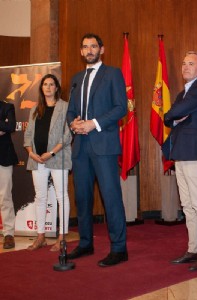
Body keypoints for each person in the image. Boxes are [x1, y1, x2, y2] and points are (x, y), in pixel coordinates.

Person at [66, 33, 128, 267]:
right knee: (82, 198)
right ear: (81, 52)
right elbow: (71, 110)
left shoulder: (113, 74)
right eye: (85, 47)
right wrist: (73, 123)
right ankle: (85, 243)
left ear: (102, 49)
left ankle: (119, 248)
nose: (89, 50)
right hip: (80, 146)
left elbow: (120, 107)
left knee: (111, 197)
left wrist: (94, 123)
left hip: (104, 144)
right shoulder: (76, 78)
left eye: (93, 46)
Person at [164, 51, 197, 271]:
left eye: (191, 64)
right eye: (184, 63)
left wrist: (175, 115)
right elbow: (168, 117)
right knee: (187, 205)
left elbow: (176, 112)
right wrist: (174, 117)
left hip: (195, 153)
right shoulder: (181, 93)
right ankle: (193, 249)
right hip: (181, 153)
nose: (185, 67)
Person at [24, 74, 72, 252]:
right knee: (40, 197)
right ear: (41, 88)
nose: (48, 87)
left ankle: (62, 237)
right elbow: (28, 134)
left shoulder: (65, 107)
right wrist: (31, 152)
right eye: (45, 84)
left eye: (52, 84)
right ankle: (41, 236)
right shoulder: (35, 109)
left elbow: (67, 135)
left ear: (57, 88)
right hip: (37, 159)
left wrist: (51, 152)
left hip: (57, 157)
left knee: (61, 196)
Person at [0, 100, 18, 249]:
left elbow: (10, 126)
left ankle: (8, 234)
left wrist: (5, 126)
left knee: (5, 196)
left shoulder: (7, 107)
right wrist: (2, 124)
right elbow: (4, 125)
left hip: (3, 157)